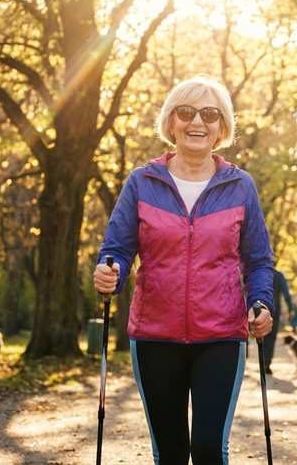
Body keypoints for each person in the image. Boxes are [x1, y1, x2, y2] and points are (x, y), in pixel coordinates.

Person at [92, 74, 274, 464]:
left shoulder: (240, 186)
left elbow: (258, 259)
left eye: (209, 114)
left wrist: (261, 302)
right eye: (186, 112)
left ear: (221, 127)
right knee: (171, 452)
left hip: (221, 335)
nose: (197, 122)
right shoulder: (142, 182)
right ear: (171, 122)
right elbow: (117, 249)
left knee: (209, 448)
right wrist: (111, 273)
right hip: (155, 334)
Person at [262, 269, 296, 374]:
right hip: (274, 310)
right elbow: (286, 293)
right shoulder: (278, 275)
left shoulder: (260, 272)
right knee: (271, 338)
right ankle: (267, 364)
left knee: (263, 337)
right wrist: (290, 309)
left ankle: (263, 362)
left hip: (261, 309)